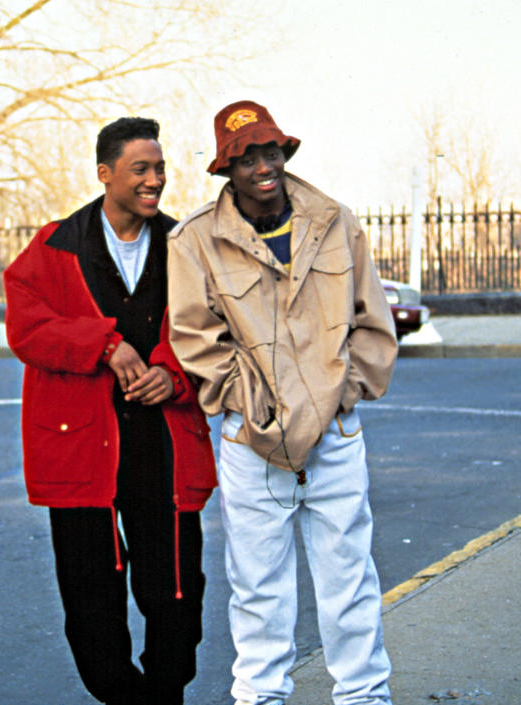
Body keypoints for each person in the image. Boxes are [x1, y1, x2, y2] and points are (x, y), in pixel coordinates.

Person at [166, 100, 398, 705]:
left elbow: (372, 324)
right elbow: (196, 340)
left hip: (336, 435)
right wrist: (251, 408)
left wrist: (342, 396)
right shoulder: (195, 242)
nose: (261, 166)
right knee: (259, 588)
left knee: (348, 577)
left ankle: (364, 696)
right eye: (245, 157)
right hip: (252, 442)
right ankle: (261, 698)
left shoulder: (335, 223)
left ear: (284, 154)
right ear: (227, 169)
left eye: (270, 152)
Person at [3, 117, 217, 705]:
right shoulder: (54, 245)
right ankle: (124, 697)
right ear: (105, 175)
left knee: (176, 592)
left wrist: (171, 376)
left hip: (163, 446)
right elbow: (26, 326)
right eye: (140, 170)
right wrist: (103, 343)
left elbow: (212, 329)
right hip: (80, 446)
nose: (155, 181)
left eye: (160, 168)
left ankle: (166, 693)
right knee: (91, 599)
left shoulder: (185, 247)